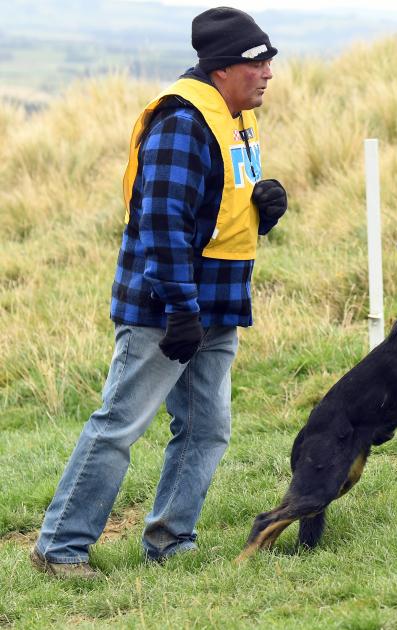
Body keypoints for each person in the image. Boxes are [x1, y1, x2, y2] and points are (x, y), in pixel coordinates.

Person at [31, 6, 287, 578]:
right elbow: (162, 224)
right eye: (258, 62)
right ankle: (60, 547)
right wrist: (179, 310)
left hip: (214, 306)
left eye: (271, 59)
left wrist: (262, 210)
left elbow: (213, 211)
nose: (269, 71)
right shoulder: (183, 122)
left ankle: (171, 541)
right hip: (167, 310)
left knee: (207, 428)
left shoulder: (234, 116)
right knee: (120, 423)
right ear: (222, 69)